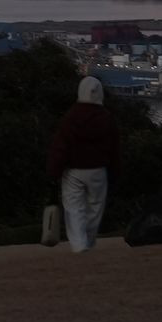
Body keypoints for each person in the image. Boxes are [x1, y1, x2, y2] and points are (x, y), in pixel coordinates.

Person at [49, 75, 121, 253]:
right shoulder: (107, 117)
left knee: (74, 208)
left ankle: (79, 245)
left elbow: (61, 146)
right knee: (95, 208)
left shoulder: (71, 116)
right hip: (98, 171)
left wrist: (54, 171)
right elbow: (115, 148)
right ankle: (88, 241)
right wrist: (115, 172)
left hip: (73, 171)